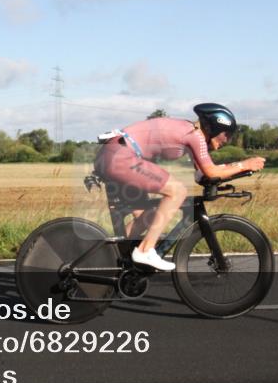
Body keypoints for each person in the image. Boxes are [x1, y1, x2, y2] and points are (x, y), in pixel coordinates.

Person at [93, 103, 265, 271]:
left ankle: (117, 261)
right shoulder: (194, 135)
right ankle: (145, 251)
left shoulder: (190, 132)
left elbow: (203, 174)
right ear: (214, 127)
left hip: (114, 153)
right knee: (177, 191)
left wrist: (235, 170)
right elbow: (211, 172)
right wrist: (245, 164)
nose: (228, 140)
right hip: (121, 156)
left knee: (149, 216)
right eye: (226, 134)